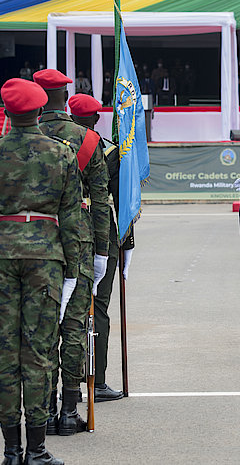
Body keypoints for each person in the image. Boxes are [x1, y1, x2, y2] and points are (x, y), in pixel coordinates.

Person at [0, 78, 82, 465]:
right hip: (46, 259)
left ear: (9, 112)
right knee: (37, 354)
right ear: (38, 110)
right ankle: (36, 449)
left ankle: (11, 451)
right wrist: (74, 268)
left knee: (6, 354)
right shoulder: (62, 155)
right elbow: (71, 218)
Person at [33, 69, 110, 436]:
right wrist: (101, 252)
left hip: (36, 242)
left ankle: (45, 410)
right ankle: (68, 411)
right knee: (75, 327)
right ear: (66, 95)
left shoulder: (24, 136)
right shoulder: (88, 139)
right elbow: (99, 202)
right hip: (77, 243)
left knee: (43, 327)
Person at [68, 93, 134, 402]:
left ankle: (67, 385)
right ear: (96, 118)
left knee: (67, 309)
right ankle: (98, 378)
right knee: (100, 307)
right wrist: (128, 242)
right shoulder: (108, 150)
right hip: (100, 236)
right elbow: (120, 202)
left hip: (60, 231)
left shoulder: (57, 142)